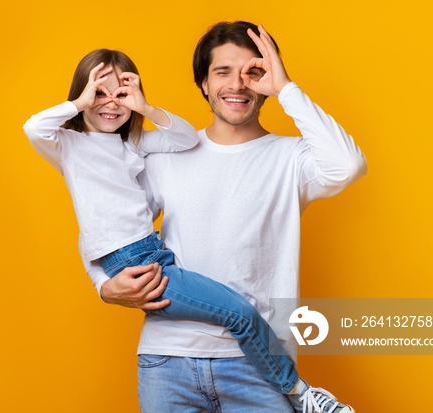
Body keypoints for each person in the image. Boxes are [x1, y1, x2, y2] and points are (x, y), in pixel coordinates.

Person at [26, 45, 354, 412]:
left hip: (255, 363)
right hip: (167, 361)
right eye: (223, 71)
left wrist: (286, 89)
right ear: (203, 82)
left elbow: (347, 165)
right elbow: (105, 225)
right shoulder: (155, 158)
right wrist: (104, 287)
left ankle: (305, 395)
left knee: (240, 315)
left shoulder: (292, 157)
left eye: (252, 72)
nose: (239, 84)